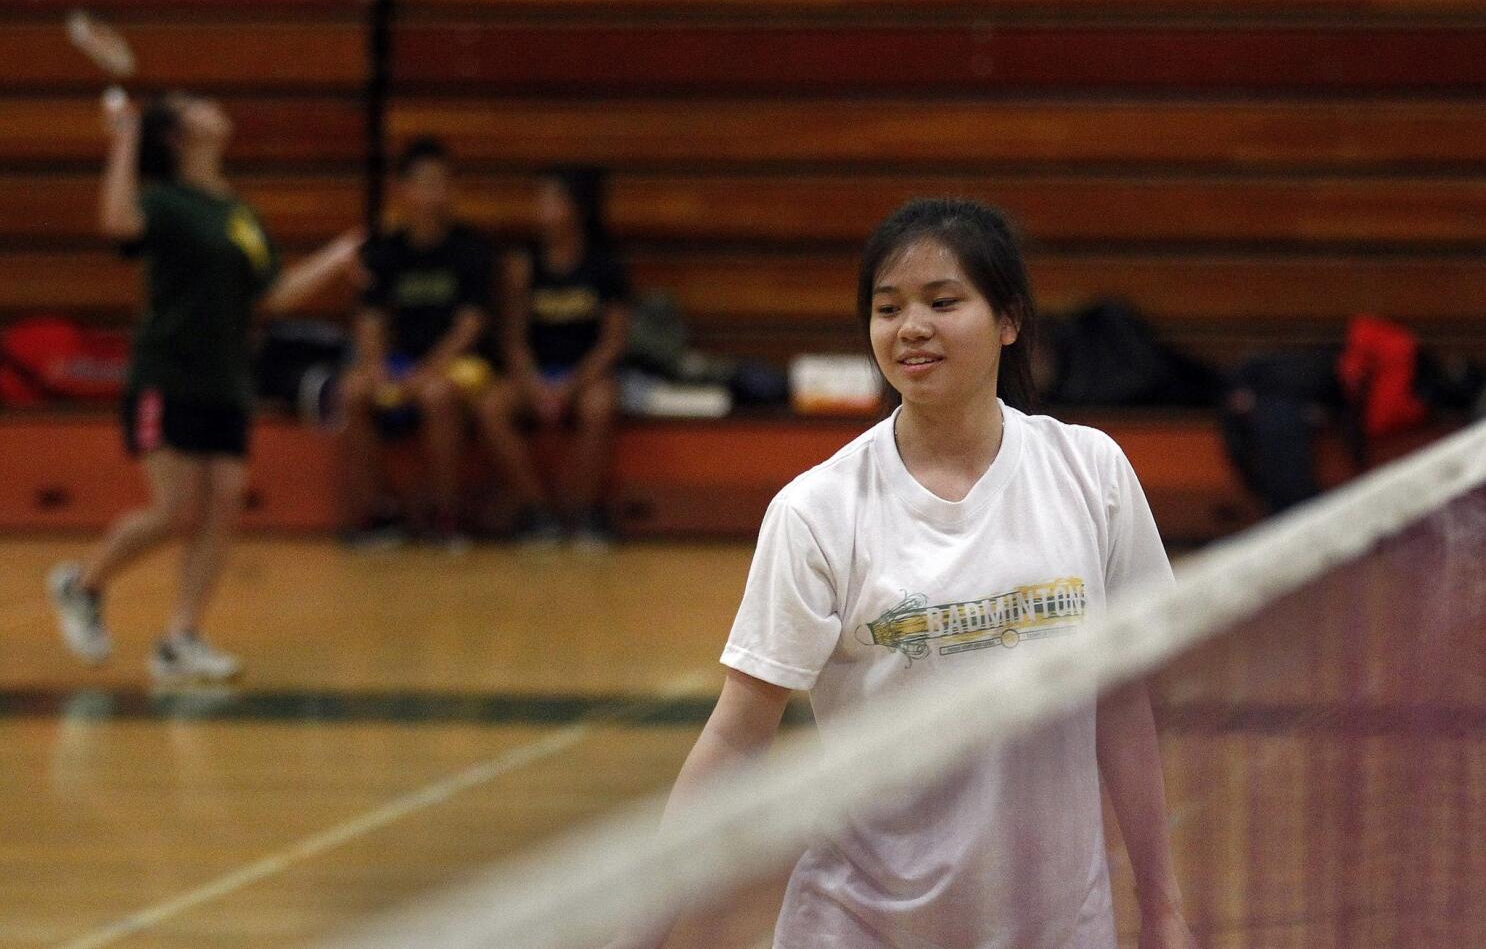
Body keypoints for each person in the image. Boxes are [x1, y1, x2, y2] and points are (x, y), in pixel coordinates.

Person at [615, 199, 1198, 948]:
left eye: (943, 302)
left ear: (1010, 319)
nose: (911, 327)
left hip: (1058, 927)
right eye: (887, 308)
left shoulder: (1092, 474)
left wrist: (1162, 906)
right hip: (858, 926)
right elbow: (736, 737)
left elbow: (1123, 703)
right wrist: (640, 935)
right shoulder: (817, 509)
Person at [48, 90, 361, 683]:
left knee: (222, 508)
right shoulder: (167, 203)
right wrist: (122, 136)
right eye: (194, 105)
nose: (212, 107)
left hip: (227, 378)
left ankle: (181, 638)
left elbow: (271, 296)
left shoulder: (238, 212)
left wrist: (335, 260)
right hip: (168, 373)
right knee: (173, 511)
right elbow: (117, 223)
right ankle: (83, 585)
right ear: (175, 135)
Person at [340, 137, 496, 548]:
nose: (435, 194)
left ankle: (444, 516)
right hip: (398, 361)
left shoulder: (470, 249)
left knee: (437, 395)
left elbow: (470, 325)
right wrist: (375, 368)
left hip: (459, 363)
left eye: (443, 184)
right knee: (352, 391)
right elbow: (371, 317)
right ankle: (379, 513)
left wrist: (426, 372)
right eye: (425, 183)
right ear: (403, 190)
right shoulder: (384, 249)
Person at [478, 167, 630, 547]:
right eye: (540, 200)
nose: (542, 209)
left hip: (583, 374)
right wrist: (534, 385)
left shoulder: (604, 264)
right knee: (490, 406)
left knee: (600, 404)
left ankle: (583, 514)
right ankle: (537, 510)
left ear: (577, 209)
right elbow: (512, 337)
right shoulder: (522, 265)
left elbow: (612, 342)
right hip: (533, 373)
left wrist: (571, 386)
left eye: (552, 200)